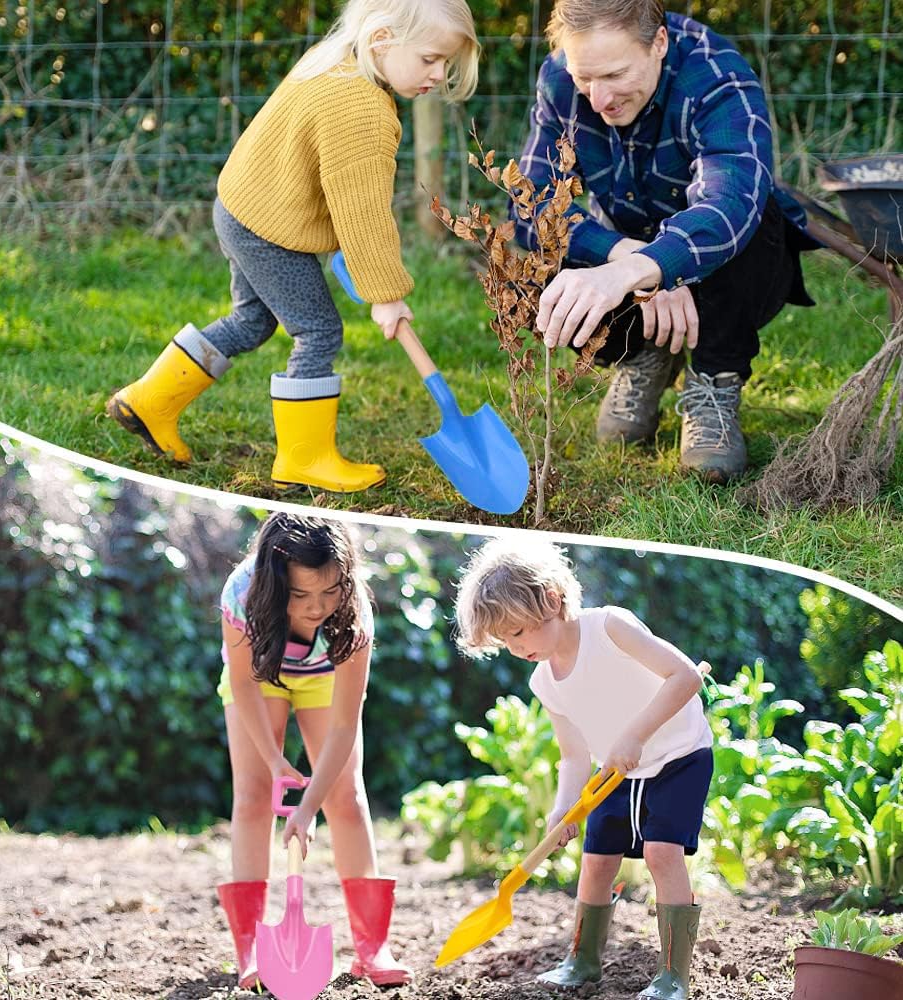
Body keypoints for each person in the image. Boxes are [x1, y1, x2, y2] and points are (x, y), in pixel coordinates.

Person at [106, 0, 479, 493]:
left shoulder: (333, 60)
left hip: (242, 208)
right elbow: (362, 212)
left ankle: (149, 402)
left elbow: (314, 166)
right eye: (430, 58)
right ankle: (304, 457)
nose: (438, 73)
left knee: (252, 320)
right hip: (268, 230)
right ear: (382, 40)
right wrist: (385, 293)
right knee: (319, 332)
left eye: (446, 64)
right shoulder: (361, 109)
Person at [513, 0, 817, 483]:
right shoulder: (559, 81)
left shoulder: (715, 76)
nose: (598, 99)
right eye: (584, 78)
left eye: (614, 75)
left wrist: (652, 266)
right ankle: (643, 354)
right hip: (628, 245)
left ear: (658, 44)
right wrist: (626, 257)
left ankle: (714, 379)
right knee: (541, 262)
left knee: (754, 217)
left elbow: (728, 205)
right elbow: (533, 206)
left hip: (736, 268)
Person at [454, 536, 713, 1000]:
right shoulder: (544, 681)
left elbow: (686, 677)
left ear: (551, 599)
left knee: (660, 854)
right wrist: (562, 809)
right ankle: (583, 959)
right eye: (504, 640)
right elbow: (573, 753)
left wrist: (634, 734)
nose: (514, 647)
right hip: (615, 773)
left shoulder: (610, 628)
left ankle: (673, 976)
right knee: (594, 863)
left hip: (680, 756)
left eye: (517, 632)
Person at [215, 511, 411, 988]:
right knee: (254, 796)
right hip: (262, 678)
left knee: (346, 798)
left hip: (323, 679)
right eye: (300, 595)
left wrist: (308, 807)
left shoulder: (355, 612)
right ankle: (252, 951)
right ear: (276, 583)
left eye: (329, 592)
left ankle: (371, 948)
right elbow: (242, 683)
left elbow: (345, 724)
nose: (316, 607)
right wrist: (274, 758)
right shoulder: (242, 592)